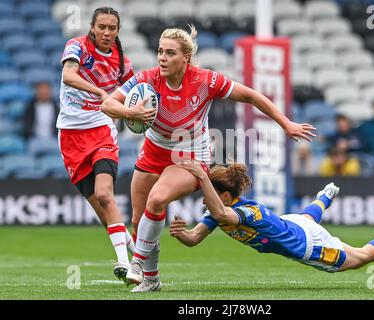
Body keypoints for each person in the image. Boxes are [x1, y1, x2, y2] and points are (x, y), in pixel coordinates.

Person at [101, 25, 317, 292]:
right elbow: (107, 104)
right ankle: (152, 279)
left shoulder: (206, 81)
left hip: (189, 155)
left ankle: (138, 262)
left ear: (186, 58)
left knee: (157, 199)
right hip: (154, 151)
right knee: (138, 217)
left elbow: (251, 95)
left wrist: (286, 123)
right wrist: (129, 111)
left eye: (170, 53)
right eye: (160, 52)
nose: (162, 58)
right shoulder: (147, 79)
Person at [170, 161, 374, 275]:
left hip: (308, 245)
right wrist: (182, 234)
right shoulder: (221, 212)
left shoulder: (243, 213)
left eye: (208, 194)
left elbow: (218, 212)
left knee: (360, 258)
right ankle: (325, 197)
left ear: (226, 196)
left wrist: (202, 176)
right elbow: (194, 239)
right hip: (293, 224)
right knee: (308, 217)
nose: (204, 200)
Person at [57, 7, 147, 283]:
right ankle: (135, 254)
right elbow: (68, 76)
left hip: (102, 132)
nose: (107, 33)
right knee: (101, 208)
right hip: (71, 136)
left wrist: (139, 112)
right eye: (102, 27)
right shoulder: (77, 47)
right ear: (93, 28)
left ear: (118, 31)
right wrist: (100, 91)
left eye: (112, 28)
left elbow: (136, 92)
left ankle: (123, 263)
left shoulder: (123, 63)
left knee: (106, 195)